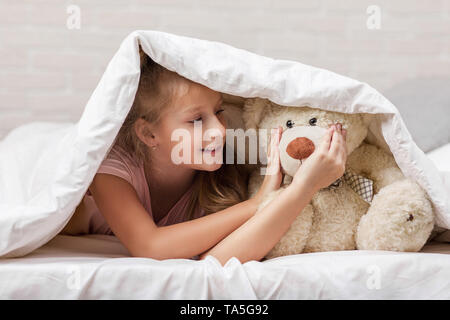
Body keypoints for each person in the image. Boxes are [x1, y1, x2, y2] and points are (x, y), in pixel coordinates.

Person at [61, 46, 347, 266]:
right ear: (149, 135)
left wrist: (302, 187)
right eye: (196, 120)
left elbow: (215, 261)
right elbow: (151, 247)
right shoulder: (112, 170)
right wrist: (260, 203)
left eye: (219, 111)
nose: (220, 131)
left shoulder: (219, 180)